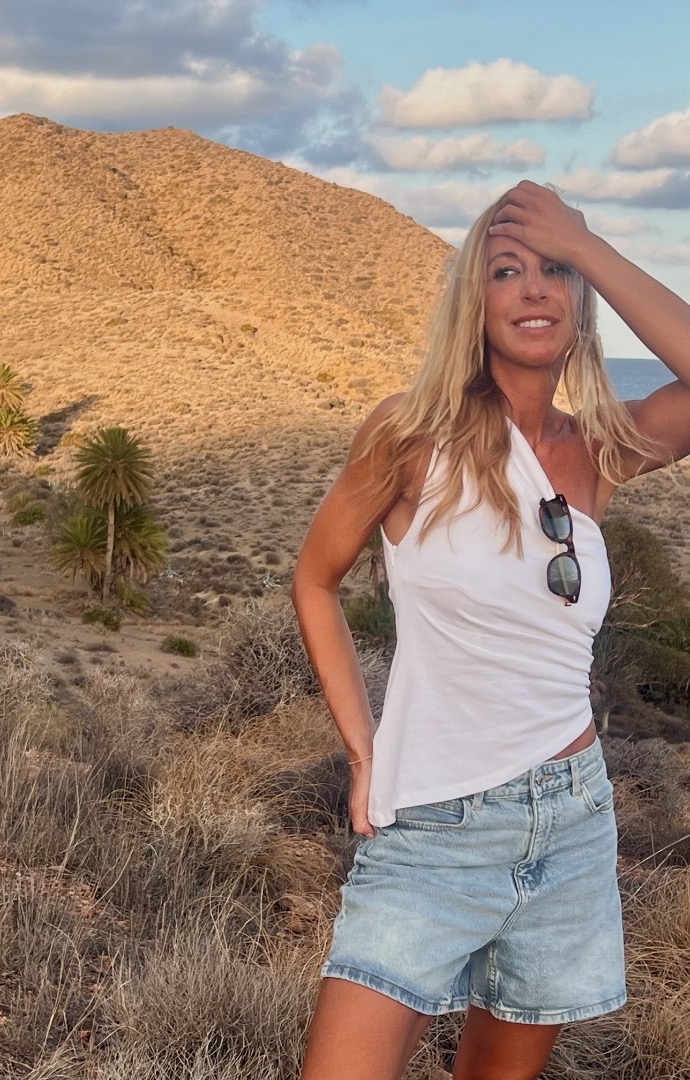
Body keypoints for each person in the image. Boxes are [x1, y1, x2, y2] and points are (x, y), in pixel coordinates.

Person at [291, 180, 690, 1080]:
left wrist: (588, 246)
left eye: (555, 271)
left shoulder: (597, 450)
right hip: (435, 819)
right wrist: (363, 748)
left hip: (572, 818)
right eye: (508, 270)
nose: (535, 288)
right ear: (476, 301)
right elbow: (314, 581)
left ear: (581, 299)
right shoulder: (409, 435)